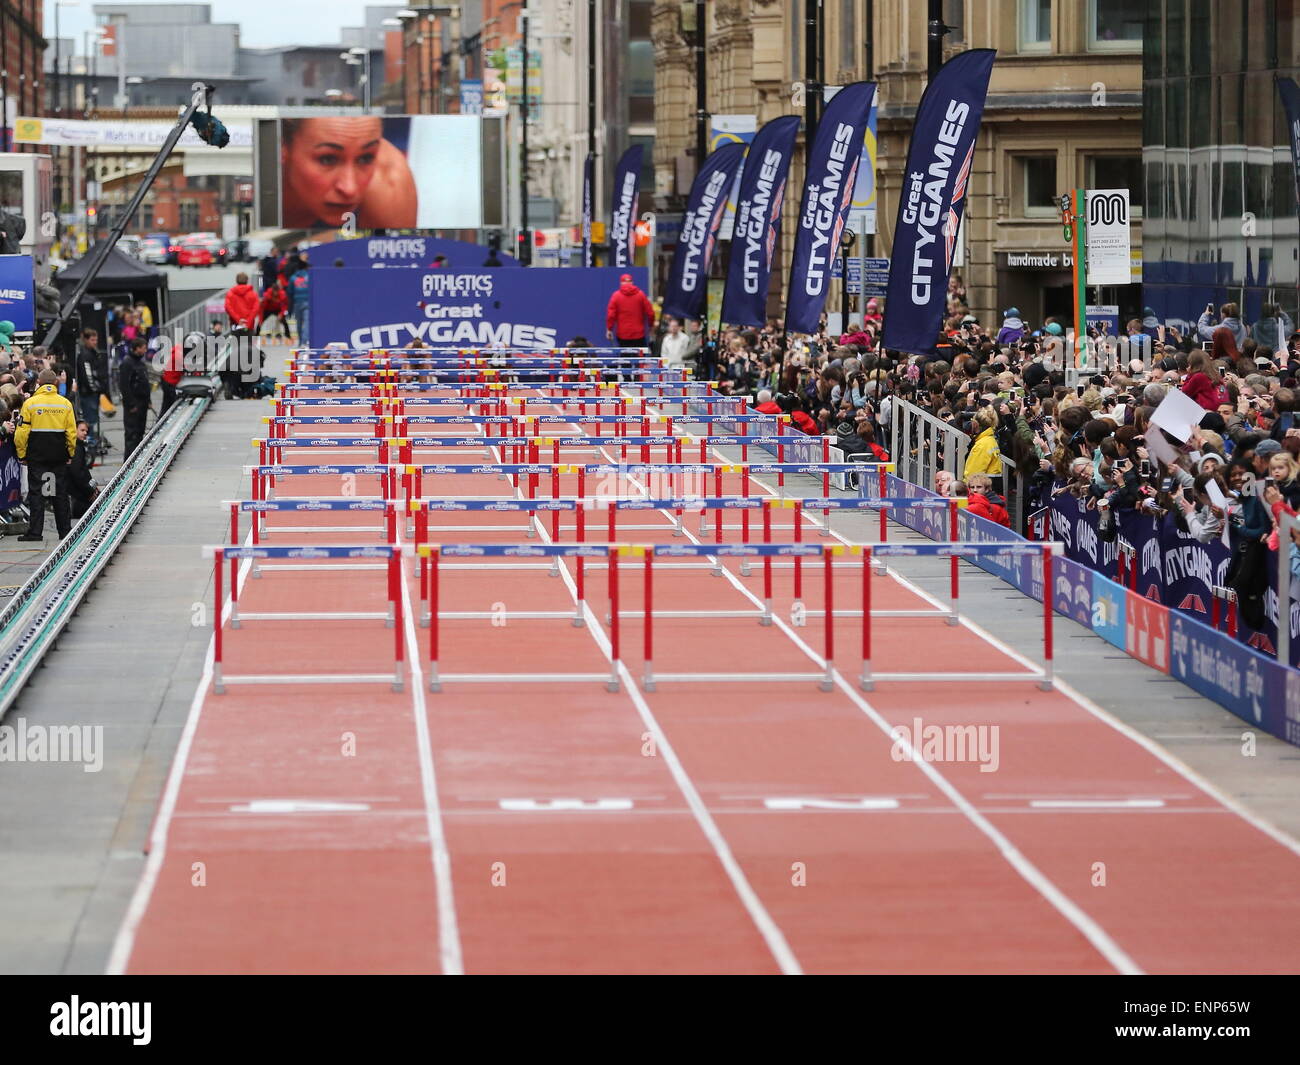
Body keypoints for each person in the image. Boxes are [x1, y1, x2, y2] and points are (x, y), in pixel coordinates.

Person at [279, 116, 417, 229]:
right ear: (283, 149)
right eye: (328, 159)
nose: (350, 189)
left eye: (366, 158)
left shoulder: (388, 185)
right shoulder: (260, 178)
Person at [13, 369, 77, 542]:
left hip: (37, 455)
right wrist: (70, 452)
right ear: (56, 383)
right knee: (60, 493)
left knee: (37, 493)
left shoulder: (31, 404)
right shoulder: (65, 404)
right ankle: (65, 531)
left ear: (39, 383)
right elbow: (71, 432)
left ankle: (35, 532)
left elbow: (21, 433)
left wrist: (22, 454)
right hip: (58, 456)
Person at [73, 328, 108, 456]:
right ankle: (91, 446)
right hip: (88, 394)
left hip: (92, 393)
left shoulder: (93, 353)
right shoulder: (85, 355)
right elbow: (88, 376)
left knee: (93, 420)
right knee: (90, 421)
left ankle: (91, 445)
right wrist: (95, 389)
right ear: (86, 340)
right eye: (92, 340)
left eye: (96, 340)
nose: (95, 342)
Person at [118, 337, 152, 457]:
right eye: (143, 348)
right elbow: (124, 385)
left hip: (142, 403)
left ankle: (138, 458)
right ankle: (128, 461)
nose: (145, 350)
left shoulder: (140, 363)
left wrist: (148, 400)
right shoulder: (127, 363)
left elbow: (145, 382)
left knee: (140, 433)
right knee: (132, 435)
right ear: (137, 348)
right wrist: (131, 404)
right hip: (134, 405)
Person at [605, 273, 654, 347]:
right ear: (632, 282)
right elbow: (650, 313)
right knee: (640, 357)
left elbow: (611, 315)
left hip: (622, 335)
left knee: (625, 357)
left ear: (621, 283)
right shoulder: (641, 295)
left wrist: (609, 329)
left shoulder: (616, 296)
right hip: (639, 334)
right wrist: (651, 326)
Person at [68, 421, 97, 519]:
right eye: (82, 430)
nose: (85, 433)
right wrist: (89, 492)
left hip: (79, 494)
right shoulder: (76, 448)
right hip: (78, 498)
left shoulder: (78, 447)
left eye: (86, 431)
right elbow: (77, 474)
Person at [290, 258, 311, 346]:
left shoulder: (293, 278)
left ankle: (300, 342)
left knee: (299, 323)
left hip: (297, 303)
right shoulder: (309, 277)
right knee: (307, 322)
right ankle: (304, 341)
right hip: (307, 302)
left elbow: (290, 292)